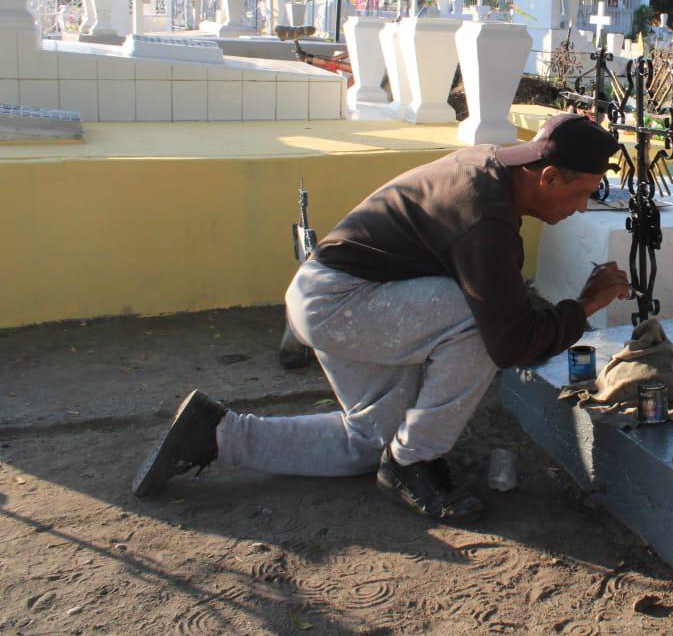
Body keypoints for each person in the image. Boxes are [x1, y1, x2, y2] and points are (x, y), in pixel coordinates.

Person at [132, 114, 631, 521]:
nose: (582, 207)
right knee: (477, 322)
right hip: (342, 303)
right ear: (547, 176)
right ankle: (413, 461)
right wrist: (583, 308)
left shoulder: (491, 168)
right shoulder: (486, 218)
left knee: (366, 442)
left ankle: (216, 433)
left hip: (339, 297)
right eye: (581, 193)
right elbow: (509, 342)